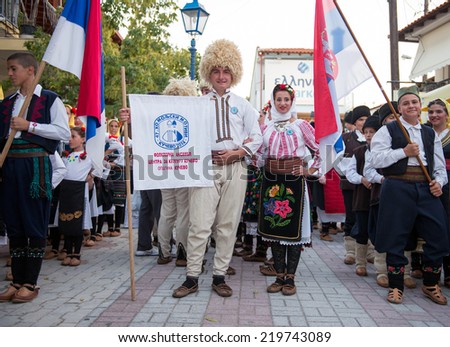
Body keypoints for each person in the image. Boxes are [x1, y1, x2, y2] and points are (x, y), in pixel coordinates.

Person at [172, 39, 262, 298]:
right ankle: (191, 277)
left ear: (234, 73)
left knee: (227, 225)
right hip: (204, 167)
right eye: (216, 71)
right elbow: (170, 122)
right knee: (199, 224)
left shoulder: (243, 105)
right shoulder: (196, 103)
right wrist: (131, 116)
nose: (221, 76)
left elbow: (257, 136)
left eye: (226, 71)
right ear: (208, 73)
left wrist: (236, 153)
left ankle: (219, 275)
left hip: (236, 168)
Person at [0, 52, 70, 303]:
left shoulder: (50, 99)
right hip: (10, 167)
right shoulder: (7, 103)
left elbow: (62, 132)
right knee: (14, 224)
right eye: (9, 69)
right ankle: (16, 281)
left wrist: (28, 125)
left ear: (30, 70)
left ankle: (30, 282)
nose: (10, 73)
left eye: (13, 68)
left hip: (35, 166)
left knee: (33, 223)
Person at [370, 85, 449, 305]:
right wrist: (403, 152)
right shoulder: (388, 130)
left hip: (426, 187)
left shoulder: (429, 132)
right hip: (397, 187)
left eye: (414, 102)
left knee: (438, 234)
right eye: (405, 103)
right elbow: (375, 160)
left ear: (419, 105)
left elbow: (439, 166)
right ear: (399, 108)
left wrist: (439, 183)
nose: (411, 106)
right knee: (395, 236)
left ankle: (430, 283)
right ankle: (396, 287)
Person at [256, 83, 321, 296]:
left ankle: (290, 278)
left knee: (293, 230)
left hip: (294, 181)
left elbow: (322, 148)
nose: (282, 103)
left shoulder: (301, 125)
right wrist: (259, 161)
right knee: (276, 229)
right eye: (279, 100)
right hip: (271, 180)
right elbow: (257, 154)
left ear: (292, 102)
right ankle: (279, 275)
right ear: (273, 102)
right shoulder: (266, 127)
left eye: (286, 100)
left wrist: (309, 170)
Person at [156, 78, 197, 265]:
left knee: (167, 210)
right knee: (183, 212)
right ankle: (182, 252)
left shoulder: (161, 114)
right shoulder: (191, 116)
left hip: (164, 167)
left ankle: (163, 252)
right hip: (183, 168)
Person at [344, 115, 380, 277]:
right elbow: (350, 172)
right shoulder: (359, 152)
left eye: (372, 132)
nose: (369, 135)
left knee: (380, 230)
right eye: (366, 132)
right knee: (362, 229)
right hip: (363, 197)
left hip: (380, 197)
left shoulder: (385, 153)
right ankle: (360, 263)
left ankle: (381, 266)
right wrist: (362, 179)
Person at [58, 127, 97, 266]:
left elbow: (103, 168)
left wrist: (90, 176)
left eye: (73, 136)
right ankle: (68, 251)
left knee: (77, 222)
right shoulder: (67, 156)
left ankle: (76, 253)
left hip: (80, 192)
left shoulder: (88, 156)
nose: (70, 140)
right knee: (67, 221)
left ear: (82, 139)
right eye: (69, 137)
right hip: (67, 191)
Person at [339, 106, 369, 265]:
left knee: (368, 217)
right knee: (351, 216)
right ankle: (350, 251)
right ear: (355, 122)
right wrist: (348, 173)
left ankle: (368, 250)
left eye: (366, 119)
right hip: (350, 185)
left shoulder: (375, 138)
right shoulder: (346, 138)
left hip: (370, 186)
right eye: (360, 120)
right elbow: (334, 158)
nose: (363, 123)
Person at [427, 98, 450, 289]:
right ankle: (425, 268)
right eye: (431, 112)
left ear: (446, 115)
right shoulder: (423, 134)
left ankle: (448, 272)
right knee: (430, 225)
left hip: (448, 185)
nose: (434, 115)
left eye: (439, 112)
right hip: (428, 184)